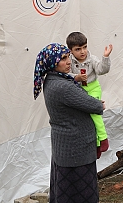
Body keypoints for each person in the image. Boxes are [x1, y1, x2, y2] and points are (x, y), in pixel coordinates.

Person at [33, 43, 105, 203]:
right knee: (79, 194)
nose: (68, 62)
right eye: (63, 59)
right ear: (52, 62)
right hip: (75, 150)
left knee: (65, 192)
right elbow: (95, 105)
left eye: (68, 57)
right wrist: (99, 104)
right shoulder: (62, 86)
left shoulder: (53, 80)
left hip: (66, 148)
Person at [66, 31, 113, 159]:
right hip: (79, 90)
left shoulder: (92, 59)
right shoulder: (69, 61)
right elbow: (65, 74)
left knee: (94, 111)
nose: (83, 51)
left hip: (93, 88)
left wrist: (105, 57)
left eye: (85, 47)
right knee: (86, 118)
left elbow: (102, 70)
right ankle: (95, 145)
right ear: (70, 51)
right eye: (78, 49)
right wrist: (76, 77)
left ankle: (103, 138)